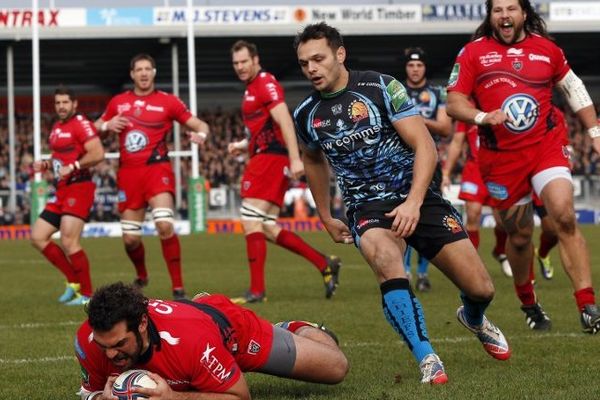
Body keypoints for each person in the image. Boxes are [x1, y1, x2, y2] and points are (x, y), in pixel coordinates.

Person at [293, 22, 511, 385]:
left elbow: (424, 145)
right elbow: (313, 160)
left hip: (419, 198)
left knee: (481, 288)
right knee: (386, 260)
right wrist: (324, 215)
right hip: (366, 209)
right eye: (304, 63)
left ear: (340, 54)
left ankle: (473, 317)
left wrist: (413, 202)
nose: (311, 68)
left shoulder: (381, 86)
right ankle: (427, 357)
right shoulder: (306, 114)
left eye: (318, 59)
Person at [446, 0, 600, 333]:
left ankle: (588, 305)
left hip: (546, 144)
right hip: (500, 158)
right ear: (490, 15)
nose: (505, 15)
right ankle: (528, 301)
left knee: (563, 215)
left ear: (524, 13)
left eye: (511, 8)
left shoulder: (547, 50)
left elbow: (573, 87)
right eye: (498, 9)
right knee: (518, 236)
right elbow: (454, 102)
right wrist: (483, 116)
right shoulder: (472, 53)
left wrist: (594, 130)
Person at [75, 282, 348, 400]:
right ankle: (199, 302)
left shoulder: (192, 342)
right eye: (105, 346)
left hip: (231, 330)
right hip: (191, 320)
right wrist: (100, 396)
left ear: (142, 325)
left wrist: (173, 397)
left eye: (120, 344)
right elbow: (88, 392)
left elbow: (240, 396)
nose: (111, 355)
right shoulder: (90, 340)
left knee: (336, 368)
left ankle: (292, 328)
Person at [225, 40, 341, 304]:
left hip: (271, 160)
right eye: (236, 63)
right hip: (264, 155)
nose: (240, 67)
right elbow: (263, 128)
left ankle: (257, 290)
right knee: (265, 226)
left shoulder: (265, 84)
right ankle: (324, 262)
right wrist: (243, 146)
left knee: (250, 218)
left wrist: (294, 158)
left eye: (244, 61)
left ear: (255, 60)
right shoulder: (251, 89)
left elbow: (284, 119)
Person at [95, 53, 210, 300]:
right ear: (132, 74)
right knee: (130, 240)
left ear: (154, 73)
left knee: (164, 225)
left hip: (158, 171)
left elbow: (201, 125)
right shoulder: (118, 102)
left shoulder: (168, 102)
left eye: (148, 68)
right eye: (139, 69)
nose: (144, 73)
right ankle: (142, 274)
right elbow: (93, 131)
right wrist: (106, 125)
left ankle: (178, 288)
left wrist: (201, 135)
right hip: (128, 174)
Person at [30, 86, 104, 305]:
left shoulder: (81, 124)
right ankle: (73, 282)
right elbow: (59, 159)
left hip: (79, 186)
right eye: (58, 103)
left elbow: (98, 153)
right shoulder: (57, 127)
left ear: (74, 104)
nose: (61, 106)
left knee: (69, 241)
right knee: (38, 236)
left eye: (65, 102)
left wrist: (73, 166)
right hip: (62, 189)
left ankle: (88, 296)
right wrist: (44, 164)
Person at [402, 47, 453, 292]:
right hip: (400, 163)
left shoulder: (437, 93)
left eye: (419, 65)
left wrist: (415, 121)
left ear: (424, 68)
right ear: (406, 68)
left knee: (427, 216)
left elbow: (445, 127)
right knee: (403, 217)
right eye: (411, 66)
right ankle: (406, 273)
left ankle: (423, 274)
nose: (415, 69)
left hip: (429, 162)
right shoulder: (396, 91)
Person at [442, 120, 513, 278]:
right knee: (473, 213)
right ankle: (471, 264)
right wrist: (446, 172)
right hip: (474, 170)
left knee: (502, 220)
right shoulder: (467, 111)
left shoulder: (498, 107)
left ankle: (500, 250)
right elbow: (457, 142)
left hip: (498, 169)